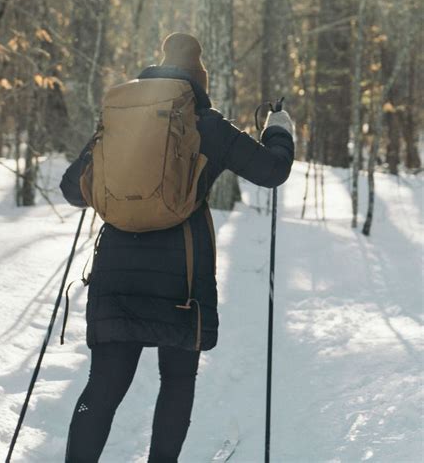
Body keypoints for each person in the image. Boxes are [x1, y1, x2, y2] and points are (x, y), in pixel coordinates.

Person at [60, 32, 295, 463]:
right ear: (199, 81)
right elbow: (272, 171)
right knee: (177, 381)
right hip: (182, 275)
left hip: (115, 269)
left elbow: (72, 189)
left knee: (104, 385)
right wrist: (278, 130)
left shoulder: (121, 117)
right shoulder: (207, 124)